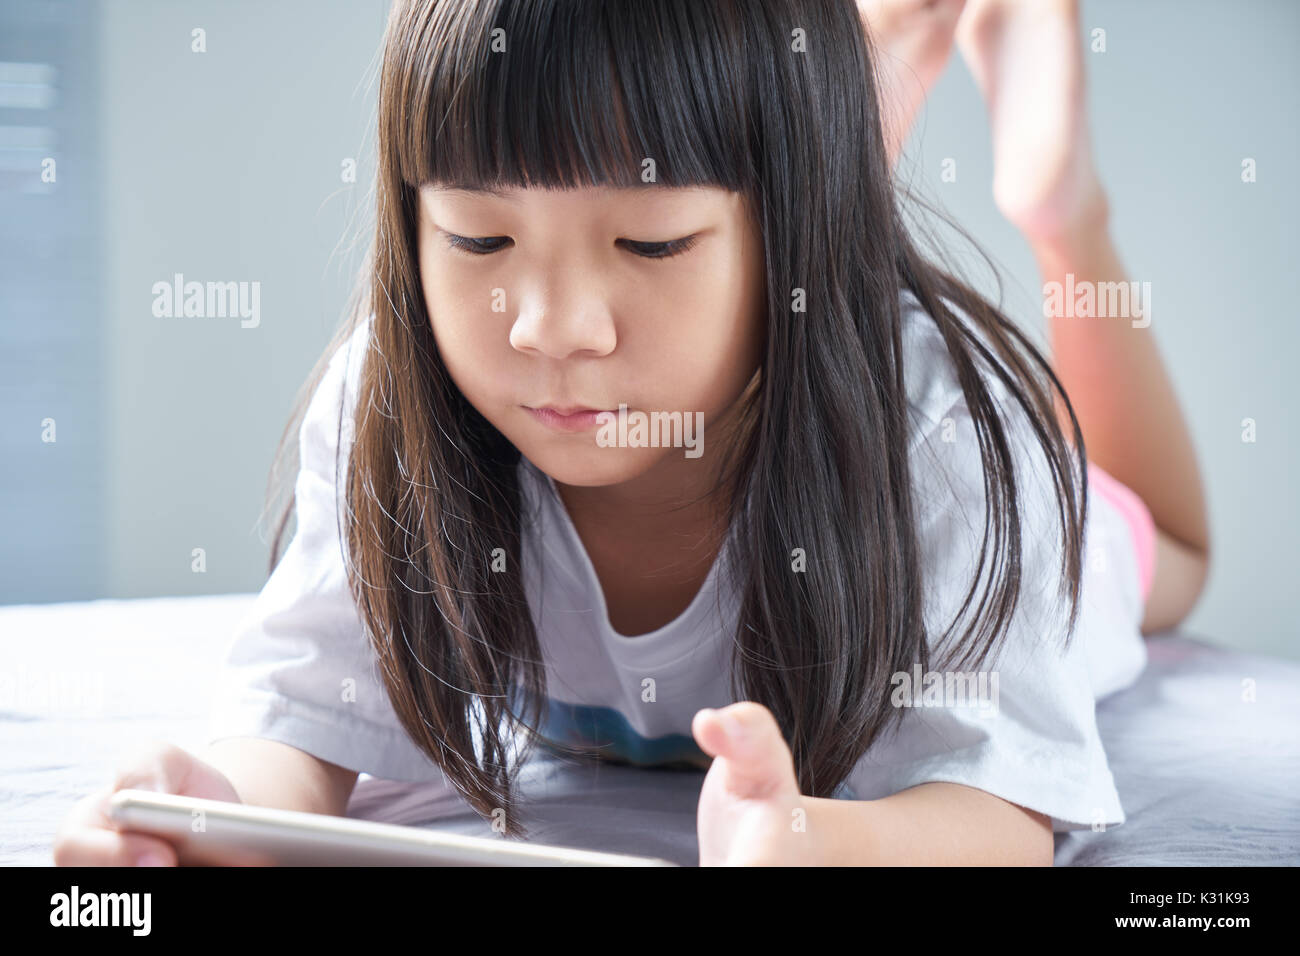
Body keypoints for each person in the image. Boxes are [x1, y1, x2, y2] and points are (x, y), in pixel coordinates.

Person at [55, 0, 1209, 867]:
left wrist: (811, 840)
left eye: (650, 245)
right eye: (476, 241)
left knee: (1165, 551)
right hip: (778, 271)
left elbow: (999, 809)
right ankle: (849, 92)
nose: (553, 330)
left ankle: (1058, 201)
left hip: (952, 453)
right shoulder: (394, 410)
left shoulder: (944, 443)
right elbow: (300, 731)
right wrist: (202, 804)